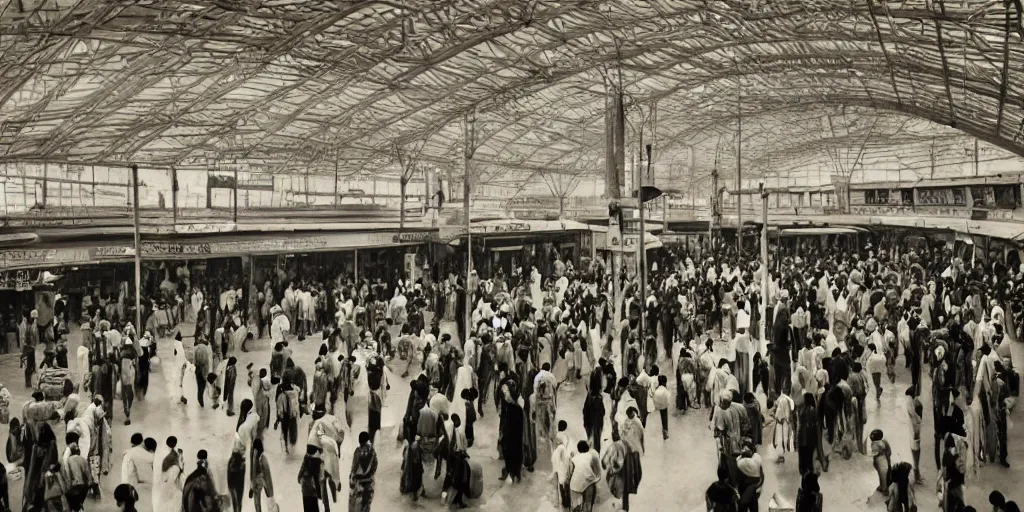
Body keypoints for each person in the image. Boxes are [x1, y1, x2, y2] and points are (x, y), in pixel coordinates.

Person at [567, 440, 601, 512]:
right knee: (588, 504)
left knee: (576, 506)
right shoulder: (591, 456)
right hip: (589, 482)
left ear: (578, 449)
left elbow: (570, 473)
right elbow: (596, 471)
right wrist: (596, 479)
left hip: (575, 484)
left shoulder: (574, 458)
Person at [153, 437, 184, 512]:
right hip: (169, 478)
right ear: (175, 444)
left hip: (163, 477)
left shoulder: (161, 451)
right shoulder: (173, 454)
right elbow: (180, 466)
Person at [349, 431, 378, 512]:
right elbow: (375, 466)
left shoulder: (357, 452)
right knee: (367, 505)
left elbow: (354, 467)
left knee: (357, 505)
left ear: (359, 441)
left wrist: (351, 479)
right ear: (367, 440)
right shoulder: (372, 451)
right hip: (369, 482)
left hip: (359, 483)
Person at [250, 438, 275, 512]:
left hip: (257, 480)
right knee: (268, 501)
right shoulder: (263, 457)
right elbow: (267, 474)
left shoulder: (254, 454)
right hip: (263, 478)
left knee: (257, 503)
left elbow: (253, 470)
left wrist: (252, 486)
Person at [653, 374, 671, 440]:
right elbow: (668, 398)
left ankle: (664, 429)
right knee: (665, 418)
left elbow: (654, 398)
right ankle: (665, 430)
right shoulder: (664, 390)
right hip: (664, 406)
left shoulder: (657, 389)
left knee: (662, 417)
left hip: (658, 406)